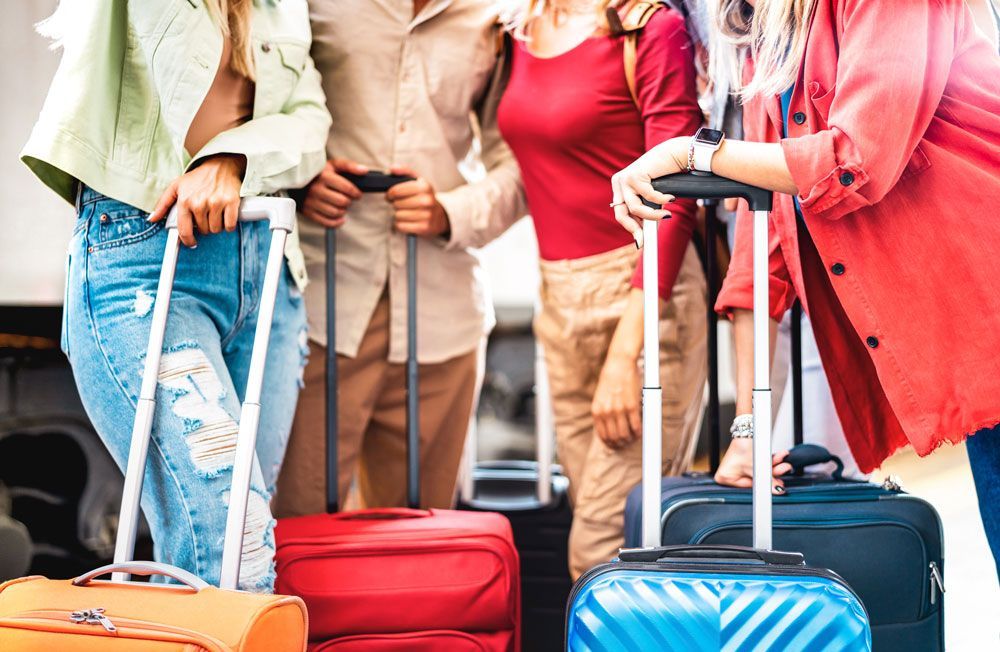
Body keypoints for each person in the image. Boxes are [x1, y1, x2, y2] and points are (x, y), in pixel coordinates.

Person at [611, 0, 1000, 575]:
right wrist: (747, 429)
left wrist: (694, 153)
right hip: (973, 343)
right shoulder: (769, 29)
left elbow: (856, 156)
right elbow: (763, 241)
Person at [22, 0, 331, 592]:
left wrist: (233, 154)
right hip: (145, 259)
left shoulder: (284, 7)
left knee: (228, 549)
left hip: (266, 272)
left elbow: (310, 120)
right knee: (230, 541)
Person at [273, 0, 525, 516]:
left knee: (416, 541)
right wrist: (300, 180)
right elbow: (257, 106)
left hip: (443, 319)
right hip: (318, 309)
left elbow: (522, 163)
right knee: (294, 528)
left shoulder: (500, 14)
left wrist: (450, 212)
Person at [497, 0, 706, 579]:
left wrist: (625, 357)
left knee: (605, 548)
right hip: (558, 301)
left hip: (640, 298)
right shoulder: (519, 26)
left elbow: (674, 197)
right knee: (602, 531)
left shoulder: (650, 29)